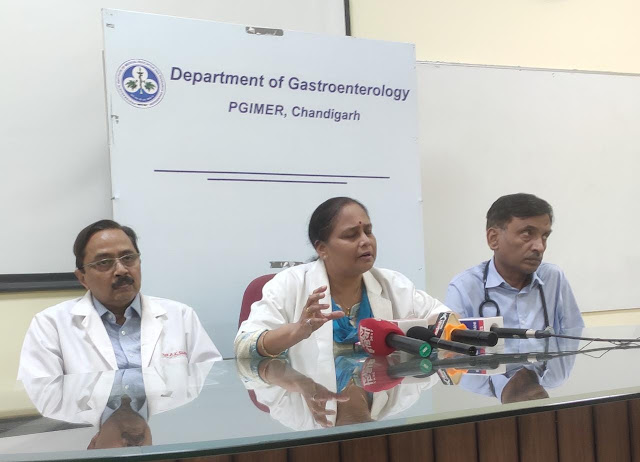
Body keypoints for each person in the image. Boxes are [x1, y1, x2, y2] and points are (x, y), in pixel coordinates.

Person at [235, 196, 450, 358]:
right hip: (310, 395)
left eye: (368, 231)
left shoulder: (392, 284)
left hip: (376, 397)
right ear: (322, 248)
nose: (365, 241)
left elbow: (447, 318)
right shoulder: (290, 284)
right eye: (351, 235)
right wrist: (296, 331)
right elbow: (244, 346)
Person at [18, 220, 221, 379]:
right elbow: (43, 396)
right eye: (104, 262)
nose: (121, 270)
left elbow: (213, 379)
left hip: (169, 420)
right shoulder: (50, 324)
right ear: (82, 278)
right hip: (92, 421)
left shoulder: (180, 315)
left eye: (128, 258)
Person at [445, 193, 584, 332]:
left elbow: (575, 338)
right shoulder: (465, 288)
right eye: (527, 234)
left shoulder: (552, 278)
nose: (540, 247)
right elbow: (452, 344)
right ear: (493, 239)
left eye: (544, 236)